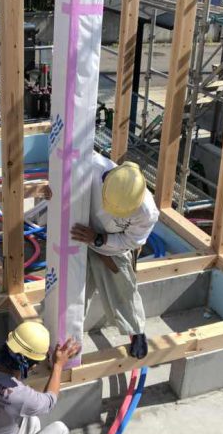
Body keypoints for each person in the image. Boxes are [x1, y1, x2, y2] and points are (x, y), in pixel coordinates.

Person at [48, 152, 159, 359]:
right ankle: (66, 338)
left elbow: (130, 241)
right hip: (78, 235)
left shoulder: (147, 212)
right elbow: (63, 157)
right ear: (106, 181)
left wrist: (99, 239)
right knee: (73, 293)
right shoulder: (92, 166)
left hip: (112, 249)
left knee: (123, 290)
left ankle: (136, 331)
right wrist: (53, 190)